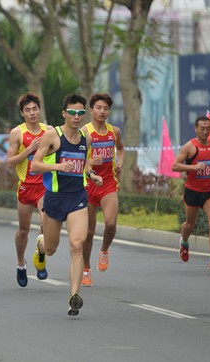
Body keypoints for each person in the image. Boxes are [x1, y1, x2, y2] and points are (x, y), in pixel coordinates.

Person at [31, 94, 102, 316]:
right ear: (64, 113)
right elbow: (34, 165)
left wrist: (91, 174)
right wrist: (58, 167)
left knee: (77, 244)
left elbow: (84, 163)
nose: (77, 116)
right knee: (51, 249)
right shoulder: (53, 136)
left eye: (81, 113)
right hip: (54, 197)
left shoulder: (86, 138)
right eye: (72, 112)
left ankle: (74, 295)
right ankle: (41, 246)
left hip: (77, 197)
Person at [80, 93, 124, 286]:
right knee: (88, 232)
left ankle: (104, 249)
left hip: (107, 183)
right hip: (88, 185)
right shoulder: (84, 132)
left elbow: (121, 149)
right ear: (91, 110)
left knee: (110, 223)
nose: (102, 111)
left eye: (105, 108)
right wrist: (89, 163)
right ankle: (86, 268)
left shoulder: (114, 131)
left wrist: (120, 160)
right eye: (98, 108)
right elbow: (76, 158)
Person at [6, 92, 49, 287]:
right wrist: (29, 149)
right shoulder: (17, 133)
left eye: (35, 109)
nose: (32, 113)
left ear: (39, 110)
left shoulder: (48, 131)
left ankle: (40, 254)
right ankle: (21, 264)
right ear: (22, 113)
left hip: (44, 186)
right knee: (23, 230)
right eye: (28, 110)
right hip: (25, 186)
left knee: (44, 223)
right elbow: (10, 162)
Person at [172, 116, 210, 270]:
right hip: (192, 191)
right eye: (202, 128)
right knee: (190, 224)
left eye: (207, 128)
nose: (205, 131)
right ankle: (184, 242)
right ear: (195, 129)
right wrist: (194, 168)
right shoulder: (190, 147)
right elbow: (175, 166)